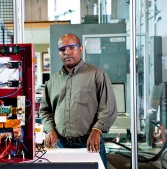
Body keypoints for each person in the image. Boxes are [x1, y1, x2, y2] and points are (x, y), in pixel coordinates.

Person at [39, 33, 117, 168]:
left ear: (80, 49)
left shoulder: (97, 75)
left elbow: (108, 107)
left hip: (89, 142)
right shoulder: (53, 80)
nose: (67, 52)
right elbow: (45, 110)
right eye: (62, 50)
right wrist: (50, 130)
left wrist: (97, 130)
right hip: (60, 144)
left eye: (71, 47)